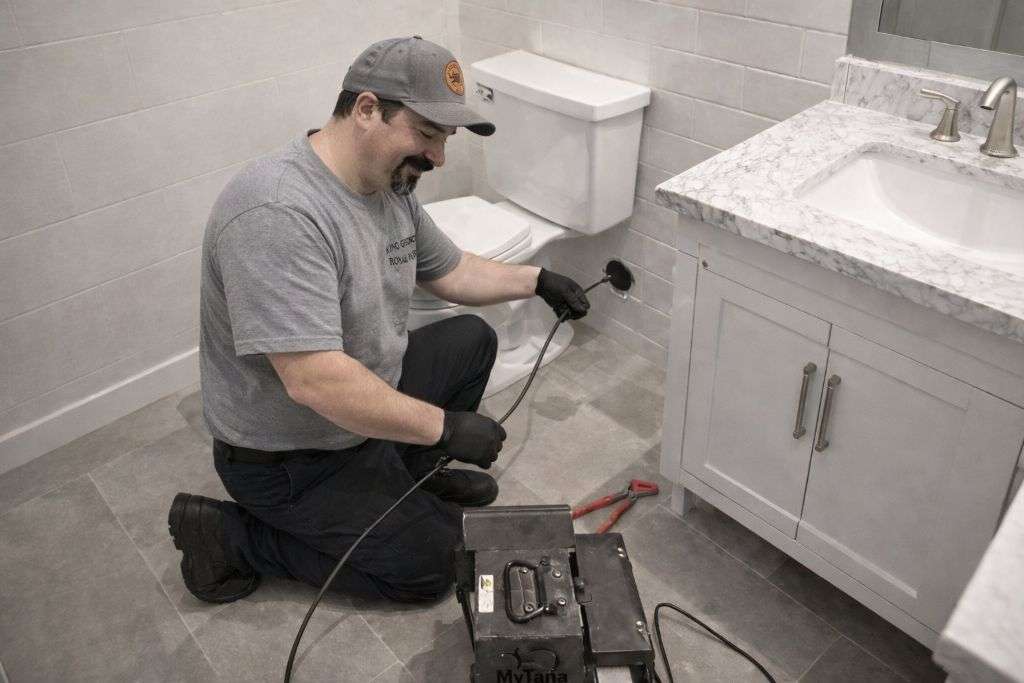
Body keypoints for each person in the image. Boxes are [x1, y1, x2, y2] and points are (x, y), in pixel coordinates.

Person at [167, 36, 591, 604]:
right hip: (292, 456)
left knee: (470, 338)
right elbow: (313, 379)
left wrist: (538, 280)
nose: (439, 157)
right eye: (427, 134)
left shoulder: (388, 186)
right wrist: (443, 427)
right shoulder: (277, 211)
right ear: (368, 110)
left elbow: (452, 271)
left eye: (445, 138)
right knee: (433, 569)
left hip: (359, 405)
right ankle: (235, 537)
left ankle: (412, 471)